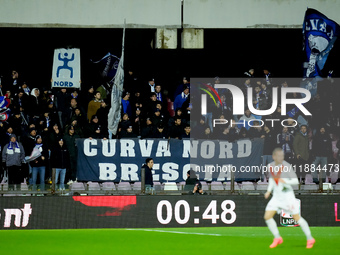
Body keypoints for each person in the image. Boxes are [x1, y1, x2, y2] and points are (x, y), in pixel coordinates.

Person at [264, 148, 315, 249]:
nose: (281, 157)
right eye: (279, 156)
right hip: (277, 196)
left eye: (282, 156)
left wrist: (285, 182)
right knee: (267, 216)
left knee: (297, 218)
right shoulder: (270, 166)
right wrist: (269, 191)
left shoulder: (286, 166)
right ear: (274, 156)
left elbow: (296, 181)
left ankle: (310, 238)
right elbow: (272, 180)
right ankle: (277, 238)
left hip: (287, 196)